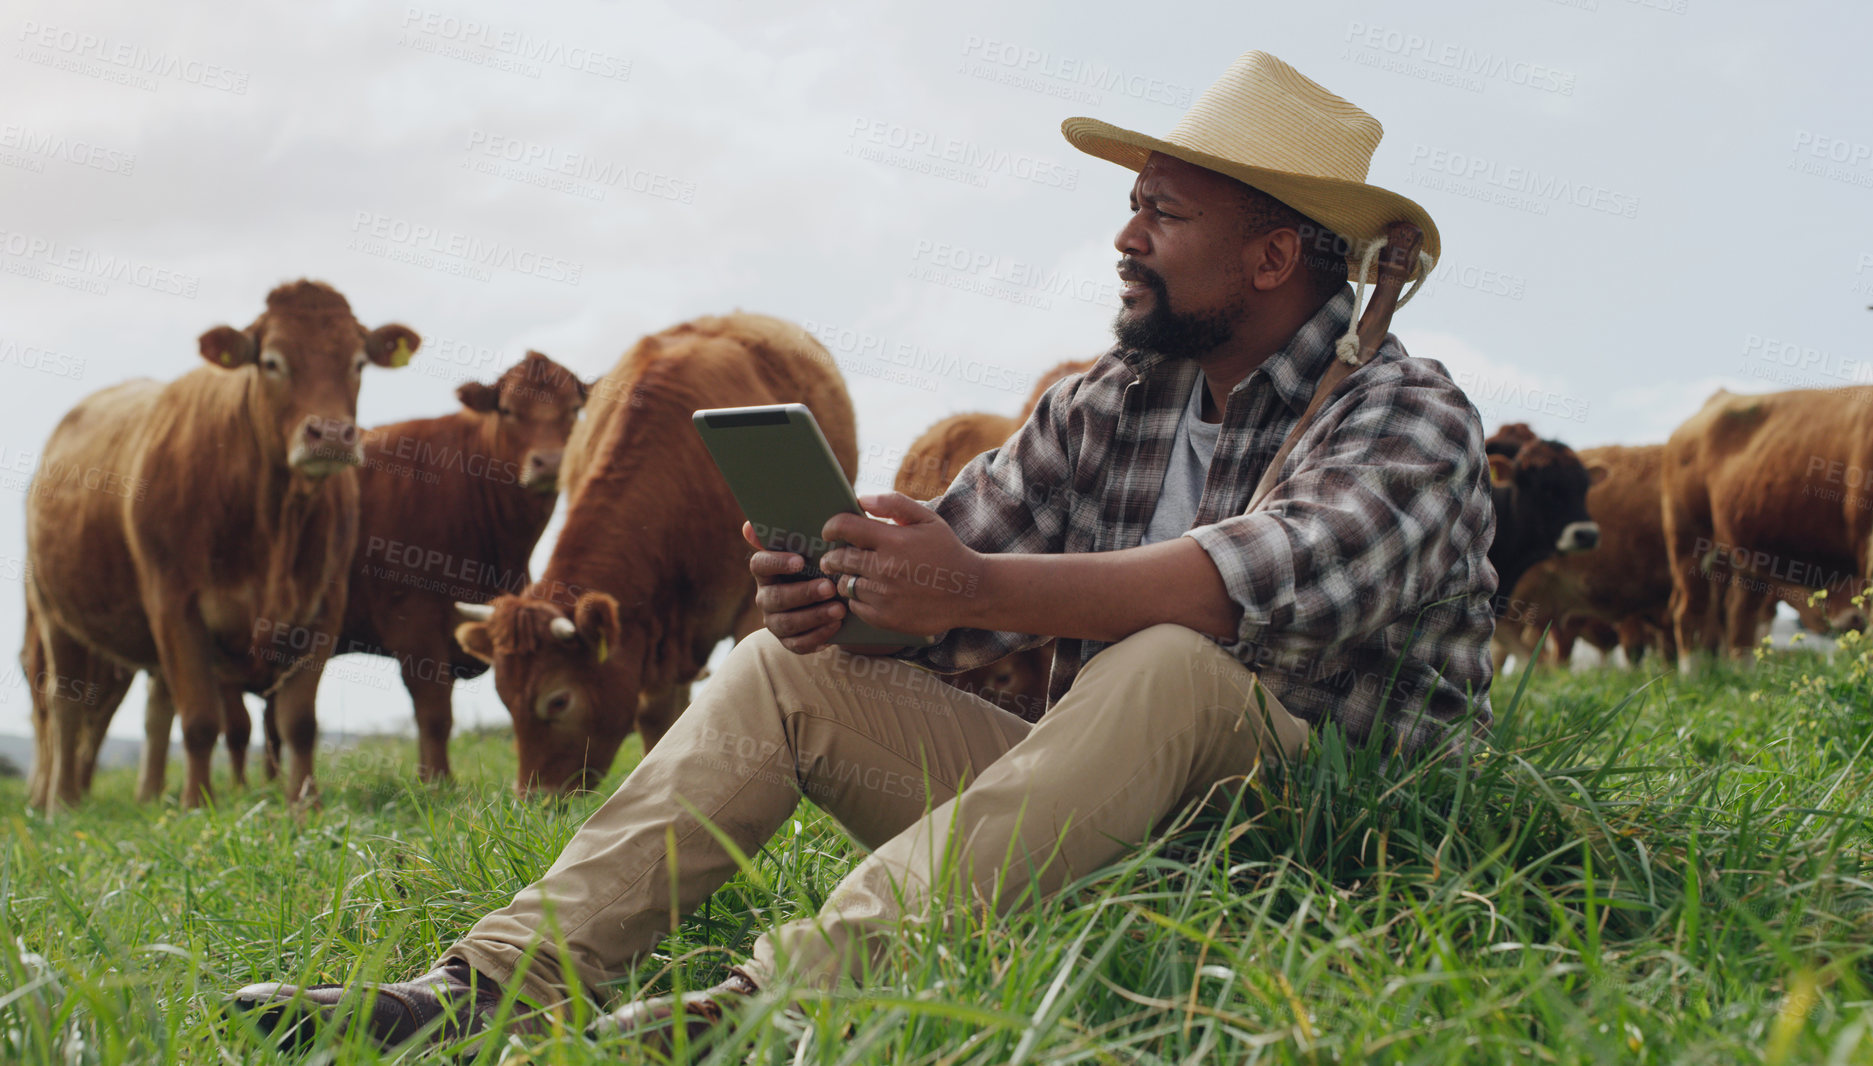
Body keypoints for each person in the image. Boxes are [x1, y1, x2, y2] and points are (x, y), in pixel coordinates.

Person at [229, 49, 1496, 1052]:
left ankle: (787, 997)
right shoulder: (1109, 401)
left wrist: (976, 585)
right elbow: (949, 578)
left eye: (1161, 214)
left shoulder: (1407, 413)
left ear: (1273, 255)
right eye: (1130, 210)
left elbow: (1251, 585)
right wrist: (853, 601)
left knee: (1168, 656)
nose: (1124, 240)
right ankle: (488, 985)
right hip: (1089, 812)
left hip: (1322, 837)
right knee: (781, 673)